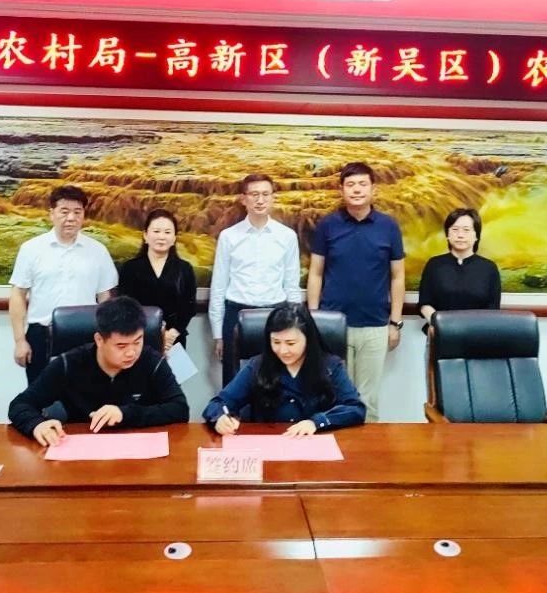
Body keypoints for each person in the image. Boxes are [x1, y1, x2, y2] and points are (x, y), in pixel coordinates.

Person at [8, 295, 188, 445]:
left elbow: (180, 409)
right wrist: (36, 424)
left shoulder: (152, 361)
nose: (131, 352)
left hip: (139, 449)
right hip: (82, 448)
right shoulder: (69, 364)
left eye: (137, 341)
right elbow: (20, 404)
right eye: (121, 346)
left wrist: (125, 414)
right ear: (99, 340)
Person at [306, 162, 404, 423]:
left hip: (375, 326)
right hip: (333, 326)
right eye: (350, 185)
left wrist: (395, 323)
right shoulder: (328, 225)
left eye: (362, 184)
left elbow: (397, 277)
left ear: (373, 189)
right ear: (341, 190)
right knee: (333, 397)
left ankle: (367, 449)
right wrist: (315, 319)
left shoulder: (388, 227)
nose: (357, 190)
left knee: (367, 402)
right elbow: (316, 273)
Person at [9, 185, 118, 383]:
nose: (71, 218)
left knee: (85, 395)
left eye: (77, 212)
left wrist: (108, 339)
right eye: (64, 211)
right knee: (41, 395)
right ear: (52, 213)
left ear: (84, 215)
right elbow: (18, 294)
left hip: (85, 335)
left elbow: (105, 299)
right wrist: (19, 340)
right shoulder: (31, 249)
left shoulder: (98, 251)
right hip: (42, 335)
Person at [203, 302, 364, 436]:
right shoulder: (258, 366)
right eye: (276, 342)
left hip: (316, 446)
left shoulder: (330, 366)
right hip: (269, 446)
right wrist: (220, 418)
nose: (283, 350)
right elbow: (218, 403)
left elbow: (355, 408)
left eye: (291, 343)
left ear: (308, 339)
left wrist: (317, 422)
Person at [208, 173, 303, 384]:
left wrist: (297, 327)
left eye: (265, 194)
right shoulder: (229, 236)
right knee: (233, 382)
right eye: (254, 194)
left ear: (272, 197)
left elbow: (292, 286)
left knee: (276, 382)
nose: (260, 200)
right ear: (244, 199)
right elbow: (219, 286)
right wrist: (218, 334)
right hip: (236, 313)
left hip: (276, 314)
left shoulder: (287, 236)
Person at [118, 209, 197, 353]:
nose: (161, 237)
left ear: (174, 238)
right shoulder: (130, 268)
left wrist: (171, 334)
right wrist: (148, 334)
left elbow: (189, 306)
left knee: (173, 369)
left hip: (174, 340)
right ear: (145, 235)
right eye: (156, 231)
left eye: (167, 232)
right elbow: (125, 307)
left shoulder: (185, 269)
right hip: (137, 339)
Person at [418, 208, 502, 333]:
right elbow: (425, 304)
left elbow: (493, 309)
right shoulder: (434, 265)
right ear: (447, 234)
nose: (460, 235)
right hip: (441, 333)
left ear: (476, 236)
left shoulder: (489, 268)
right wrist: (439, 325)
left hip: (478, 334)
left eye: (466, 230)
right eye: (455, 229)